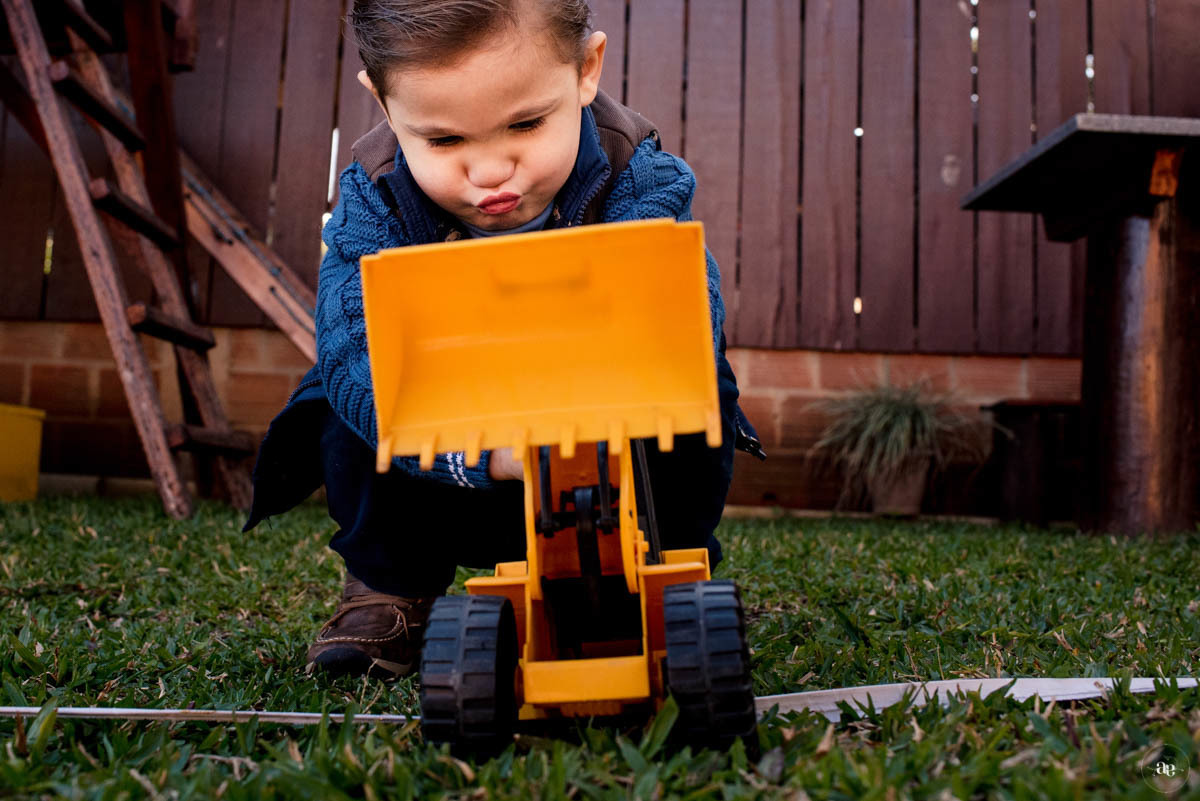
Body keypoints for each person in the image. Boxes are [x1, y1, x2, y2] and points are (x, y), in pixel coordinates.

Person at [244, 0, 765, 680]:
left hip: (612, 450)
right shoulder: (373, 200)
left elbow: (683, 305)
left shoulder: (637, 174)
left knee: (703, 371)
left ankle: (669, 568)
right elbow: (351, 349)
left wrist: (598, 416)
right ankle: (389, 587)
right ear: (385, 102)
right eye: (445, 141)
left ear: (585, 69)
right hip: (454, 455)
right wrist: (481, 453)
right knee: (342, 390)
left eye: (525, 123)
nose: (490, 171)